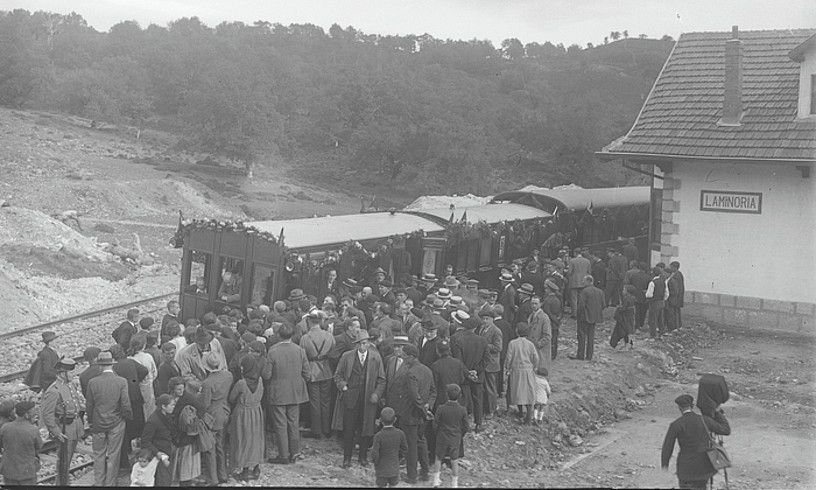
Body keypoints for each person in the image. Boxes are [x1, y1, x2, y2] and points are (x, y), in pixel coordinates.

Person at [333, 329, 386, 468]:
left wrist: (376, 394)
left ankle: (363, 458)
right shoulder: (347, 356)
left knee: (365, 429)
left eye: (366, 343)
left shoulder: (376, 357)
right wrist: (343, 386)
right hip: (350, 399)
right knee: (349, 429)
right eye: (361, 343)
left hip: (368, 400)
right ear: (356, 345)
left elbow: (382, 380)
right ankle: (347, 459)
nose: (364, 346)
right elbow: (337, 375)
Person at [386, 342, 434, 484]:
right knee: (421, 442)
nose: (404, 358)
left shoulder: (411, 373)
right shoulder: (427, 370)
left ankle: (412, 476)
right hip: (422, 415)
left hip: (410, 415)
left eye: (405, 356)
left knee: (411, 446)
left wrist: (423, 410)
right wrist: (428, 407)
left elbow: (414, 397)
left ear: (412, 357)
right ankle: (425, 473)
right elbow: (433, 391)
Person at [262, 322, 309, 464]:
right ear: (292, 335)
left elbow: (266, 375)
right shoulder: (300, 350)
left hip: (278, 392)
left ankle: (283, 455)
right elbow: (307, 374)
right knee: (293, 424)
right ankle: (294, 453)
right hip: (295, 392)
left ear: (278, 335)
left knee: (280, 425)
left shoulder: (273, 351)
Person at [661, 394, 731, 490]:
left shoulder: (676, 424)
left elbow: (668, 446)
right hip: (703, 467)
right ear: (692, 406)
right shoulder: (705, 420)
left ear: (679, 408)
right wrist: (717, 412)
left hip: (685, 468)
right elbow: (726, 430)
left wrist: (665, 463)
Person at [86, 351, 133, 487]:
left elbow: (89, 404)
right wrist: (127, 417)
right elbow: (125, 404)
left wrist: (90, 420)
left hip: (98, 423)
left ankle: (99, 482)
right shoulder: (121, 381)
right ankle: (110, 483)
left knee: (98, 454)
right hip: (116, 422)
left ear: (100, 366)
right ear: (112, 365)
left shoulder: (92, 382)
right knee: (113, 454)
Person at [40, 358, 84, 486]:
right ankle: (61, 484)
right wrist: (56, 432)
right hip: (64, 430)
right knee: (63, 463)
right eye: (70, 372)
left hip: (74, 427)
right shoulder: (54, 390)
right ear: (61, 373)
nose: (72, 375)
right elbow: (47, 414)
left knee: (67, 460)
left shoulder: (70, 385)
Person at [228, 355, 265, 481]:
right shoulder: (260, 380)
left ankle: (244, 470)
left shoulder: (241, 383)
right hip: (257, 412)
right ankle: (256, 468)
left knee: (243, 439)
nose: (242, 369)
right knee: (256, 438)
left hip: (243, 413)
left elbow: (231, 398)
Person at [300, 310, 335, 439]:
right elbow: (333, 351)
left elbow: (302, 356)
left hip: (312, 371)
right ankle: (326, 429)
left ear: (309, 321)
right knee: (326, 401)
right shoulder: (329, 336)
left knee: (315, 402)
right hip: (326, 370)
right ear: (320, 321)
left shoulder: (305, 338)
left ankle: (316, 430)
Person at [111, 343, 148, 469]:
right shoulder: (131, 362)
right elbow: (144, 370)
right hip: (136, 397)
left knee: (126, 428)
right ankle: (144, 455)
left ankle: (127, 457)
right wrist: (136, 381)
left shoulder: (114, 367)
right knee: (140, 425)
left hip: (123, 400)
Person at [450, 317, 489, 433]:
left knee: (462, 399)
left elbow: (458, 361)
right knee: (477, 399)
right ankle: (478, 424)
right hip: (477, 376)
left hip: (463, 376)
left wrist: (467, 373)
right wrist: (476, 371)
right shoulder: (483, 341)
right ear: (476, 327)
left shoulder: (458, 340)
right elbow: (486, 359)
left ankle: (462, 424)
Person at [201, 351, 233, 485]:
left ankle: (212, 478)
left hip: (212, 415)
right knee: (221, 445)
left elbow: (205, 404)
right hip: (225, 410)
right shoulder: (228, 375)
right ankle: (223, 474)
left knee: (210, 447)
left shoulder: (207, 382)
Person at [430, 384, 469, 488]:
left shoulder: (441, 408)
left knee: (438, 458)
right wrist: (460, 435)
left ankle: (435, 481)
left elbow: (435, 423)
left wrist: (437, 433)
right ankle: (454, 483)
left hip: (442, 437)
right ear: (460, 396)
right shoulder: (462, 410)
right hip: (455, 438)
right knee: (454, 460)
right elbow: (466, 426)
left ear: (446, 395)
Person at [0, 401, 42, 486]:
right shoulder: (33, 430)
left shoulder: (5, 427)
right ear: (27, 415)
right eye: (33, 412)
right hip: (27, 473)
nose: (35, 414)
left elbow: (1, 445)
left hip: (8, 471)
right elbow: (39, 447)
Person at [503, 323, 538, 424]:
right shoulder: (530, 344)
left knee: (518, 392)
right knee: (529, 393)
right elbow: (536, 357)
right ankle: (528, 417)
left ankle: (520, 411)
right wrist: (534, 367)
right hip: (528, 370)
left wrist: (507, 368)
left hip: (516, 370)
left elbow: (509, 357)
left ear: (517, 331)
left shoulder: (512, 343)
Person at [141, 393, 177, 487]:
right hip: (159, 456)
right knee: (162, 482)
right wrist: (157, 453)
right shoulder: (153, 421)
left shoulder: (167, 417)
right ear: (163, 406)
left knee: (167, 480)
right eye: (172, 405)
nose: (174, 407)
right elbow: (145, 441)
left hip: (167, 452)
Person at [370, 407, 407, 488]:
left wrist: (375, 462)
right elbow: (404, 449)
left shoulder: (378, 436)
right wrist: (398, 458)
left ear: (380, 420)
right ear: (395, 419)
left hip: (381, 470)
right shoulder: (400, 433)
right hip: (394, 468)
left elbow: (374, 453)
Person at [570, 275, 605, 361]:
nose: (582, 282)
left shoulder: (585, 291)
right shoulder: (600, 291)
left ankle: (580, 355)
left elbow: (581, 305)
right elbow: (603, 305)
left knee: (581, 336)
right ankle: (589, 356)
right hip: (594, 317)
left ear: (588, 281)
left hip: (584, 316)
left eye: (584, 281)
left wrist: (578, 314)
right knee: (591, 336)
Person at [477, 309, 502, 420]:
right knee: (483, 387)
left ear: (492, 319)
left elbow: (498, 348)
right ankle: (485, 408)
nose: (485, 321)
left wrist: (484, 345)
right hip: (483, 362)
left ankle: (491, 410)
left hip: (491, 363)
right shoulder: (482, 329)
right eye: (483, 319)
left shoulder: (496, 331)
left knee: (491, 388)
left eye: (487, 319)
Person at [130, 335, 158, 420]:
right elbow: (155, 372)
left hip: (136, 386)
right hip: (148, 384)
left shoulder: (131, 358)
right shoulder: (148, 356)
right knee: (149, 408)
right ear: (144, 345)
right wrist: (150, 379)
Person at [527, 296, 552, 376]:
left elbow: (547, 336)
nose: (534, 305)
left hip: (540, 350)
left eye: (536, 303)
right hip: (532, 348)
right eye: (532, 303)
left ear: (540, 304)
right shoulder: (531, 315)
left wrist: (538, 344)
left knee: (540, 372)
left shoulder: (544, 318)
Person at [646, 266, 669, 339]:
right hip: (661, 302)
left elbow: (649, 294)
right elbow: (666, 293)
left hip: (654, 302)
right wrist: (663, 299)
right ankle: (661, 333)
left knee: (653, 319)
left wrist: (646, 296)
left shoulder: (652, 282)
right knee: (660, 318)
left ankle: (652, 335)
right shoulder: (663, 281)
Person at [566, 249, 591, 318]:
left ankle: (575, 314)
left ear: (575, 253)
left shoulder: (572, 261)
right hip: (584, 282)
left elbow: (569, 272)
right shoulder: (587, 261)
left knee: (574, 299)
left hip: (574, 282)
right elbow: (589, 272)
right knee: (582, 298)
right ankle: (582, 313)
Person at [611, 285, 636, 350]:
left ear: (628, 291)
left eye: (624, 290)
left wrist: (618, 308)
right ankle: (629, 343)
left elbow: (623, 308)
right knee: (627, 329)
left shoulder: (626, 298)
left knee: (622, 328)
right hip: (630, 315)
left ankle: (615, 343)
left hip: (624, 316)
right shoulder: (633, 297)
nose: (623, 291)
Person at [665, 262, 685, 331]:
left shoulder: (677, 275)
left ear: (674, 267)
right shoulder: (678, 274)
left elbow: (677, 287)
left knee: (675, 312)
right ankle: (678, 326)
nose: (670, 268)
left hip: (676, 297)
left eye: (671, 267)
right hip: (677, 296)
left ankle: (676, 326)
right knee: (676, 312)